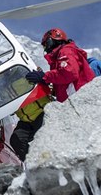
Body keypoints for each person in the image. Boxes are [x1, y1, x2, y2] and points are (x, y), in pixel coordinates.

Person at [9, 27, 95, 161]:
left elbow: (70, 73)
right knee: (18, 139)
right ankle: (32, 166)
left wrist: (44, 77)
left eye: (46, 44)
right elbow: (60, 82)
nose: (45, 48)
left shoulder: (66, 51)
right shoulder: (58, 59)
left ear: (54, 39)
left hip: (78, 100)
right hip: (69, 104)